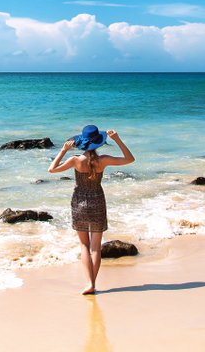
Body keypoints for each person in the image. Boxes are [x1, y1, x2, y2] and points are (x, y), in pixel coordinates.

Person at [48, 124, 135, 294]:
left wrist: (63, 151)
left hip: (79, 203)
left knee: (84, 245)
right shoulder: (103, 160)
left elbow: (51, 169)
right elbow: (130, 159)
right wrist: (117, 139)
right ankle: (91, 285)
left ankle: (89, 283)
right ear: (100, 143)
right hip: (98, 202)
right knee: (96, 247)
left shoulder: (75, 160)